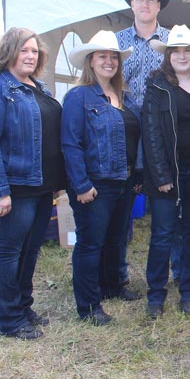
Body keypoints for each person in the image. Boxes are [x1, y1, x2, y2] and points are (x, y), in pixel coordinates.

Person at [0, 27, 66, 340]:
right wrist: (0, 191)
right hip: (10, 188)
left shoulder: (39, 88)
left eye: (34, 51)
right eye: (23, 50)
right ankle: (9, 319)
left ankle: (23, 307)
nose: (29, 56)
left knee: (30, 249)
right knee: (9, 251)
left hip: (38, 186)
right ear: (8, 52)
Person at [62, 30, 143, 326]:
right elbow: (70, 144)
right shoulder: (78, 97)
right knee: (90, 243)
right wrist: (81, 184)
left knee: (116, 239)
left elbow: (136, 138)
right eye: (102, 57)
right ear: (90, 61)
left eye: (113, 57)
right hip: (95, 182)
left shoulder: (126, 98)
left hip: (124, 181)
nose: (109, 62)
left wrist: (138, 175)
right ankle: (88, 305)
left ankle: (112, 286)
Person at [143, 25, 190, 318]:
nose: (182, 56)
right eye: (177, 51)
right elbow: (151, 133)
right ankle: (156, 296)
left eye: (188, 51)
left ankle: (188, 291)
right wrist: (160, 175)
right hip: (167, 170)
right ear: (168, 55)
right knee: (163, 233)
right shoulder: (157, 85)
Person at [115, 0, 174, 287]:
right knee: (123, 196)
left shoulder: (171, 40)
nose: (145, 4)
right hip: (125, 125)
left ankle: (178, 268)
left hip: (163, 128)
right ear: (131, 4)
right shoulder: (116, 41)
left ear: (159, 5)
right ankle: (118, 271)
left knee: (172, 195)